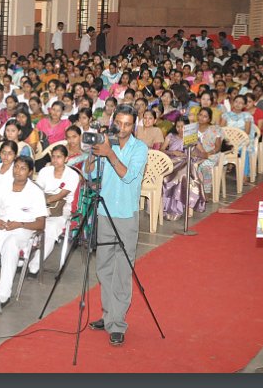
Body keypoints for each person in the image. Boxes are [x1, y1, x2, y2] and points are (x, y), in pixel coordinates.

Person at [82, 104, 148, 346]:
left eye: (127, 124)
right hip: (104, 211)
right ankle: (109, 315)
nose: (121, 128)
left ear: (134, 125)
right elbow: (88, 174)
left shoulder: (139, 148)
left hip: (126, 215)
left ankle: (118, 323)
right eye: (118, 123)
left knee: (122, 270)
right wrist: (94, 153)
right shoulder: (105, 143)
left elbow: (127, 175)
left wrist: (109, 153)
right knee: (103, 267)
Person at [0, 156, 47, 308]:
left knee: (10, 245)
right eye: (16, 167)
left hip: (23, 230)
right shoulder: (3, 186)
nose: (18, 171)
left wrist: (19, 224)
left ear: (30, 172)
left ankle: (3, 294)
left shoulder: (35, 192)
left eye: (23, 168)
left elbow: (41, 224)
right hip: (1, 226)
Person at [29, 145, 80, 274]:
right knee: (26, 220)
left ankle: (35, 264)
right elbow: (38, 190)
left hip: (63, 209)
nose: (55, 160)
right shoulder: (45, 171)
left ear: (66, 159)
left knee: (50, 228)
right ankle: (23, 255)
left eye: (59, 157)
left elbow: (61, 195)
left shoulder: (72, 175)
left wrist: (44, 202)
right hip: (43, 205)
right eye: (53, 157)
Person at [160, 116, 206, 221]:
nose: (180, 129)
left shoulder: (192, 138)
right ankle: (164, 207)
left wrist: (193, 153)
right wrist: (172, 152)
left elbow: (204, 154)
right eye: (178, 126)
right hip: (172, 162)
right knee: (163, 176)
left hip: (186, 162)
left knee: (180, 176)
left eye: (183, 127)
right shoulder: (171, 136)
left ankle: (176, 209)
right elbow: (162, 150)